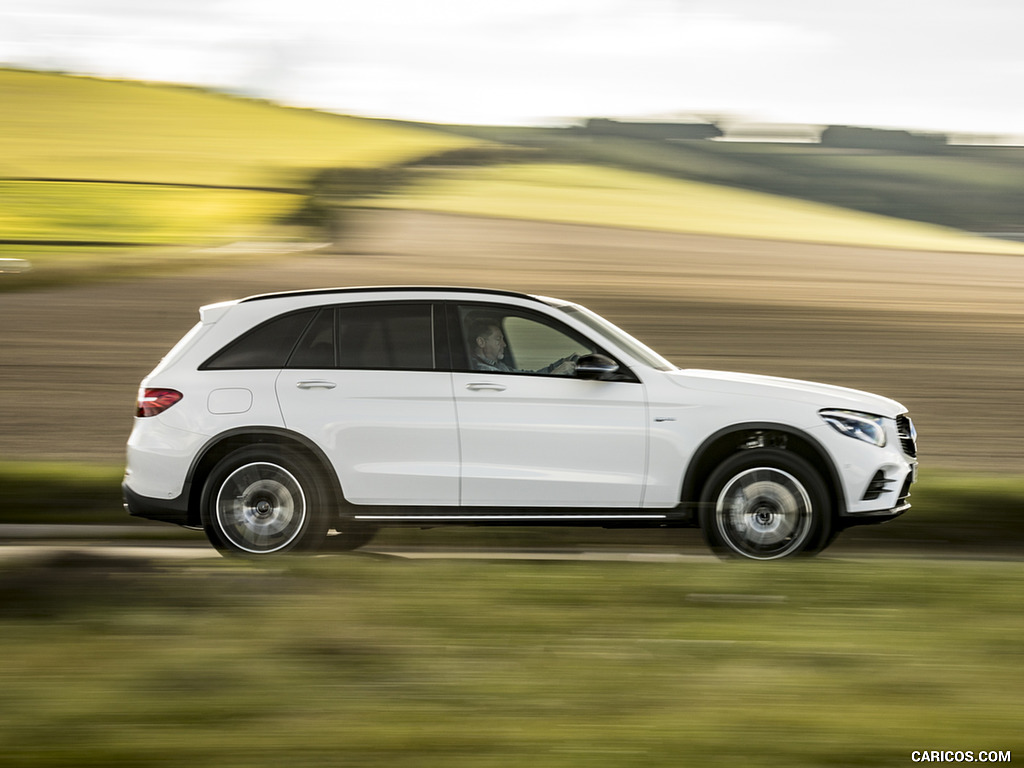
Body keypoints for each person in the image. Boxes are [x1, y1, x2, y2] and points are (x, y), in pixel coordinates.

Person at [468, 318, 578, 375]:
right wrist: (556, 374)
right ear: (481, 342)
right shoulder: (484, 370)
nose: (504, 344)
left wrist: (562, 363)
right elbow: (520, 390)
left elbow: (532, 376)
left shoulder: (498, 366)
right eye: (498, 339)